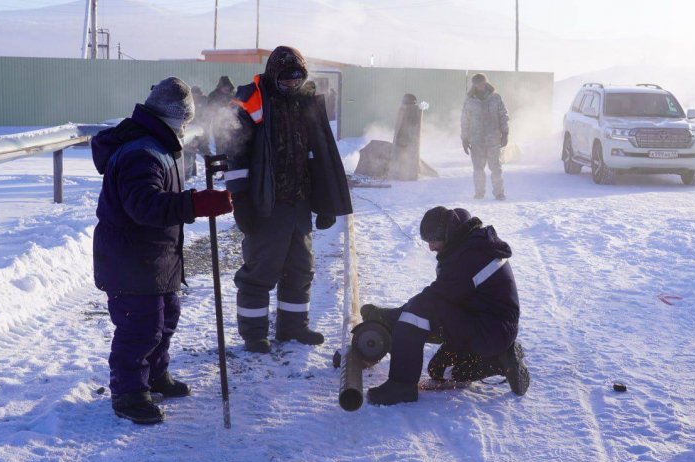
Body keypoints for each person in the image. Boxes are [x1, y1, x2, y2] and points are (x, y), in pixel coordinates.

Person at [92, 77, 234, 424]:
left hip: (155, 258)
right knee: (140, 328)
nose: (187, 128)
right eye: (186, 121)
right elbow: (145, 206)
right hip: (132, 259)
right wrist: (196, 203)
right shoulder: (142, 152)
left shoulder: (157, 145)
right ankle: (129, 393)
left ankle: (155, 375)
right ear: (177, 118)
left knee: (165, 319)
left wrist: (193, 200)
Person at [223, 46, 352, 354]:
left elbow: (320, 154)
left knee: (300, 268)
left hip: (300, 203)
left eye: (297, 78)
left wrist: (326, 203)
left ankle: (293, 327)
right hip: (266, 202)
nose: (292, 84)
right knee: (260, 271)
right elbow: (236, 155)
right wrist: (240, 201)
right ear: (273, 74)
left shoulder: (306, 102)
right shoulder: (251, 101)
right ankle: (254, 334)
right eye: (286, 79)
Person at [363, 206, 529, 406]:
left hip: (491, 332)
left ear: (447, 233)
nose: (431, 248)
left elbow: (433, 299)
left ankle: (401, 386)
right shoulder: (469, 244)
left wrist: (387, 317)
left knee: (420, 308)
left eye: (433, 241)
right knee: (439, 370)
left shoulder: (470, 257)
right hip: (483, 322)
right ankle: (502, 359)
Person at [461, 73, 509, 200]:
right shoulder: (470, 101)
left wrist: (505, 133)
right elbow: (465, 120)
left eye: (482, 83)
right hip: (476, 140)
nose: (480, 86)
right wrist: (464, 139)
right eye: (477, 84)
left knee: (496, 168)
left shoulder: (495, 98)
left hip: (493, 139)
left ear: (486, 83)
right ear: (474, 85)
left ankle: (499, 193)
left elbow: (503, 115)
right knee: (478, 169)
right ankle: (479, 193)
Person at [207, 75, 236, 156]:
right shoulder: (213, 95)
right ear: (220, 87)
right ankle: (221, 163)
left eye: (228, 87)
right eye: (225, 86)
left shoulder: (233, 95)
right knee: (219, 145)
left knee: (231, 145)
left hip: (232, 124)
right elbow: (209, 110)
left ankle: (231, 163)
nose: (227, 88)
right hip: (218, 124)